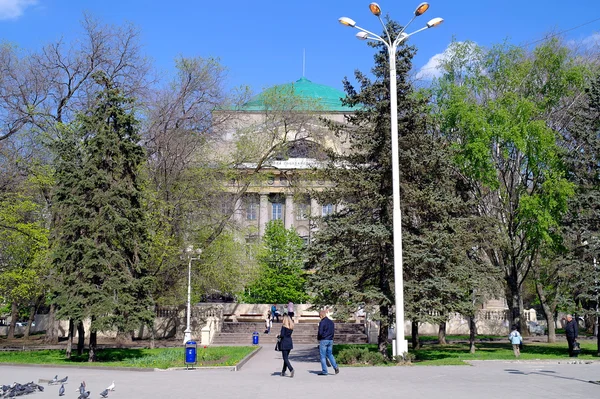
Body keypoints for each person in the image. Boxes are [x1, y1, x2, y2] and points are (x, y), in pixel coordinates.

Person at [317, 310, 339, 376]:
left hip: (324, 340)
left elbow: (320, 332)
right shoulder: (331, 322)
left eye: (319, 316)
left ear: (321, 315)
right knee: (330, 354)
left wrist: (318, 338)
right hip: (330, 340)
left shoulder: (322, 322)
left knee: (322, 356)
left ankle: (324, 371)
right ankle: (335, 367)